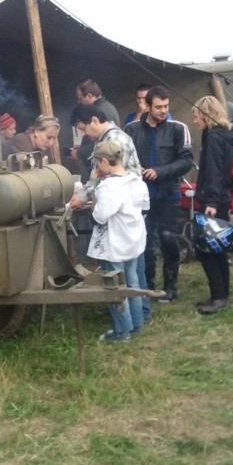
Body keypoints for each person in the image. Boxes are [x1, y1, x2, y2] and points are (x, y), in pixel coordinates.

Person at [68, 104, 150, 324]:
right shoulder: (108, 138)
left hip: (119, 220)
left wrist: (87, 199)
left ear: (94, 120)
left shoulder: (113, 141)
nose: (84, 134)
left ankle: (129, 320)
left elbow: (100, 178)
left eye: (83, 128)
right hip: (128, 218)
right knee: (132, 272)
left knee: (124, 274)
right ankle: (137, 316)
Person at [125, 86, 194, 302]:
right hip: (140, 196)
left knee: (168, 239)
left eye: (166, 106)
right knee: (143, 243)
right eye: (158, 107)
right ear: (147, 106)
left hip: (168, 194)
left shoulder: (178, 128)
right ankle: (147, 286)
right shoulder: (131, 129)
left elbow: (186, 161)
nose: (163, 111)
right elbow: (123, 159)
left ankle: (170, 287)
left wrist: (160, 171)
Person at [86, 140, 149, 341]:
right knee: (132, 281)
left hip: (115, 243)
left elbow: (101, 215)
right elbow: (145, 208)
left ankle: (122, 331)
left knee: (114, 286)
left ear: (105, 161)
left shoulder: (109, 187)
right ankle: (137, 323)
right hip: (134, 240)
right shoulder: (137, 180)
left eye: (97, 162)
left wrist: (92, 211)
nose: (97, 165)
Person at [190, 96, 233, 314]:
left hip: (214, 200)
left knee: (206, 249)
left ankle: (218, 297)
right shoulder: (225, 136)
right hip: (222, 197)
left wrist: (210, 201)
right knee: (218, 248)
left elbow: (214, 171)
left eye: (196, 116)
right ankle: (222, 294)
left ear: (206, 115)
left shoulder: (213, 138)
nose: (195, 121)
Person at [73, 79, 123, 165]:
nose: (79, 102)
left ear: (89, 96)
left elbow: (101, 142)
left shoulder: (100, 111)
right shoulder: (106, 106)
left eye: (80, 99)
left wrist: (79, 153)